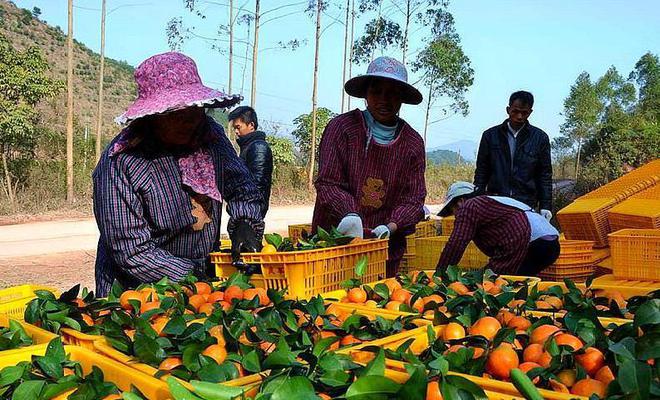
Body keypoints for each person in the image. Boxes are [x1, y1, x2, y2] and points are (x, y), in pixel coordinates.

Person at [93, 52, 264, 296]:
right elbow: (131, 249)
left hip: (201, 283)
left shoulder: (210, 137)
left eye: (195, 110)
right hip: (139, 291)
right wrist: (191, 275)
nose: (191, 121)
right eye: (177, 114)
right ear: (151, 117)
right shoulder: (121, 162)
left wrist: (245, 223)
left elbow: (241, 188)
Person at [313, 56, 426, 277]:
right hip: (336, 243)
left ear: (402, 97)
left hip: (383, 249)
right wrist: (349, 214)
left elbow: (414, 200)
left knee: (376, 303)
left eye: (393, 93)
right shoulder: (342, 129)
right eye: (377, 92)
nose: (384, 100)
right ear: (365, 93)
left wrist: (391, 227)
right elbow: (328, 183)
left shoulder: (412, 143)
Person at [435, 181, 560, 276]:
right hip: (551, 244)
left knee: (489, 281)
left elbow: (456, 243)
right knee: (517, 284)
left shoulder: (469, 206)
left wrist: (440, 274)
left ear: (460, 201)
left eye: (453, 210)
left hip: (532, 243)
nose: (456, 215)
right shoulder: (492, 202)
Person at [474, 91, 553, 221]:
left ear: (530, 112)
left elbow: (544, 175)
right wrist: (477, 197)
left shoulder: (540, 138)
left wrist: (546, 205)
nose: (519, 116)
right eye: (515, 111)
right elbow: (482, 170)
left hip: (526, 203)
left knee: (523, 239)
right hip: (496, 201)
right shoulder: (490, 136)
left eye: (524, 113)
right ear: (508, 109)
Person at [228, 106, 273, 218]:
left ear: (251, 125)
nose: (236, 132)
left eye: (238, 127)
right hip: (244, 209)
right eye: (234, 128)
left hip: (250, 212)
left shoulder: (258, 147)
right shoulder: (248, 147)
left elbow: (258, 185)